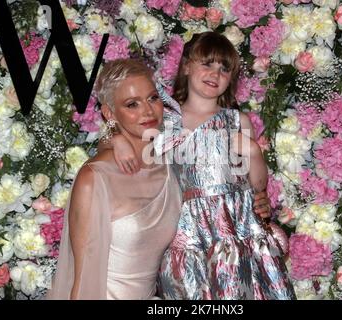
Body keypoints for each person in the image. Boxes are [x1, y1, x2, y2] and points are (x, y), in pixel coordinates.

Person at [110, 32, 295, 299]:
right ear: (186, 65)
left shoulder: (236, 120)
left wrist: (254, 153)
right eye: (206, 64)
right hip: (187, 229)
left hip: (235, 226)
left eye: (224, 69)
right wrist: (117, 140)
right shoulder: (164, 119)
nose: (215, 74)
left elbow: (257, 184)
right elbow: (133, 143)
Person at [47, 59, 182, 299]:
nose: (148, 111)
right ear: (110, 112)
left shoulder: (168, 166)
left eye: (152, 98)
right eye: (132, 104)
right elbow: (82, 281)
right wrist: (112, 138)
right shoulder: (95, 178)